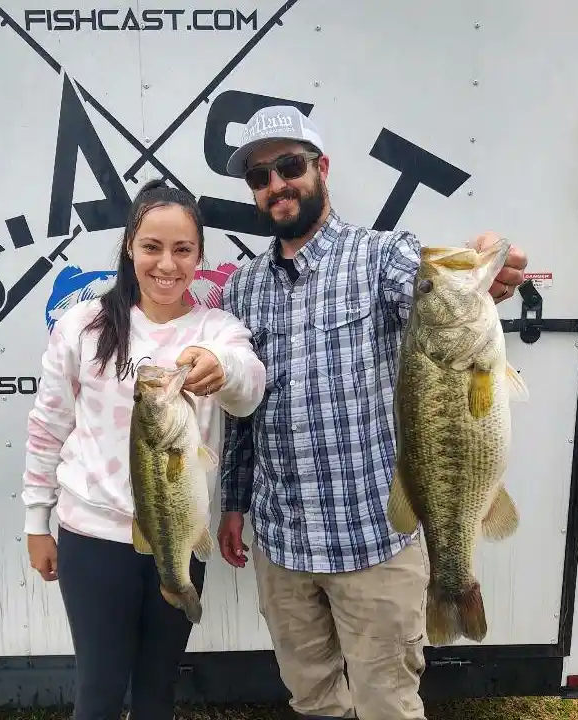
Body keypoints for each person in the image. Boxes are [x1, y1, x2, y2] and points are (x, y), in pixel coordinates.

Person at [216, 106, 528, 720]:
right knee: (312, 699)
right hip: (283, 545)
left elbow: (452, 283)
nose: (276, 184)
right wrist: (234, 502)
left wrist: (491, 259)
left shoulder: (382, 256)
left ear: (320, 169)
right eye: (260, 176)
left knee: (388, 703)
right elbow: (242, 415)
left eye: (289, 166)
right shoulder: (241, 288)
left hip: (375, 541)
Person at [21, 179, 266, 720]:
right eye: (152, 246)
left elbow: (248, 390)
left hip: (177, 536)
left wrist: (221, 367)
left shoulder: (217, 329)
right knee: (99, 694)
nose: (167, 264)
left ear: (200, 257)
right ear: (129, 246)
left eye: (183, 250)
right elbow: (48, 424)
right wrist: (37, 521)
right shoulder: (84, 325)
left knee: (157, 693)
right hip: (92, 539)